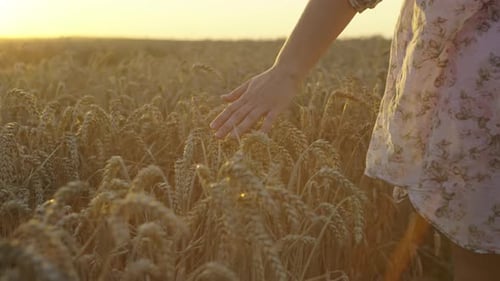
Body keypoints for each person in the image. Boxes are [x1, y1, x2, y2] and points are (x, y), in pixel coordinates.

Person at [209, 0, 500, 280]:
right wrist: (287, 70)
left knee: (482, 258)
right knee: (482, 253)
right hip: (479, 108)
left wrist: (289, 68)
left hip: (477, 104)